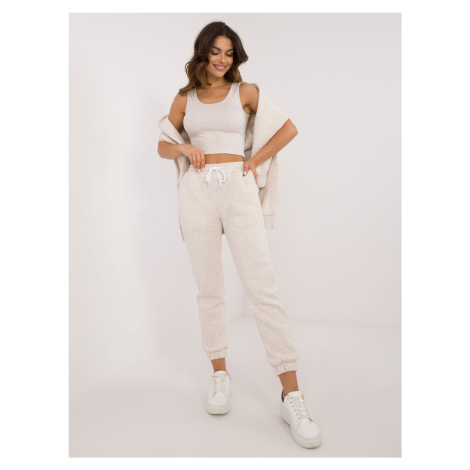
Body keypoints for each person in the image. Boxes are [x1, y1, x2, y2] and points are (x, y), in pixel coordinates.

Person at [157, 21, 322, 449]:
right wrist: (183, 147)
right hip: (197, 193)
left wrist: (253, 161)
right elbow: (162, 144)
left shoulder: (245, 92)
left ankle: (292, 396)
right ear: (202, 52)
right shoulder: (184, 98)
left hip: (238, 189)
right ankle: (220, 375)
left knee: (262, 288)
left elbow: (288, 128)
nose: (222, 59)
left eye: (229, 53)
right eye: (215, 51)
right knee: (209, 290)